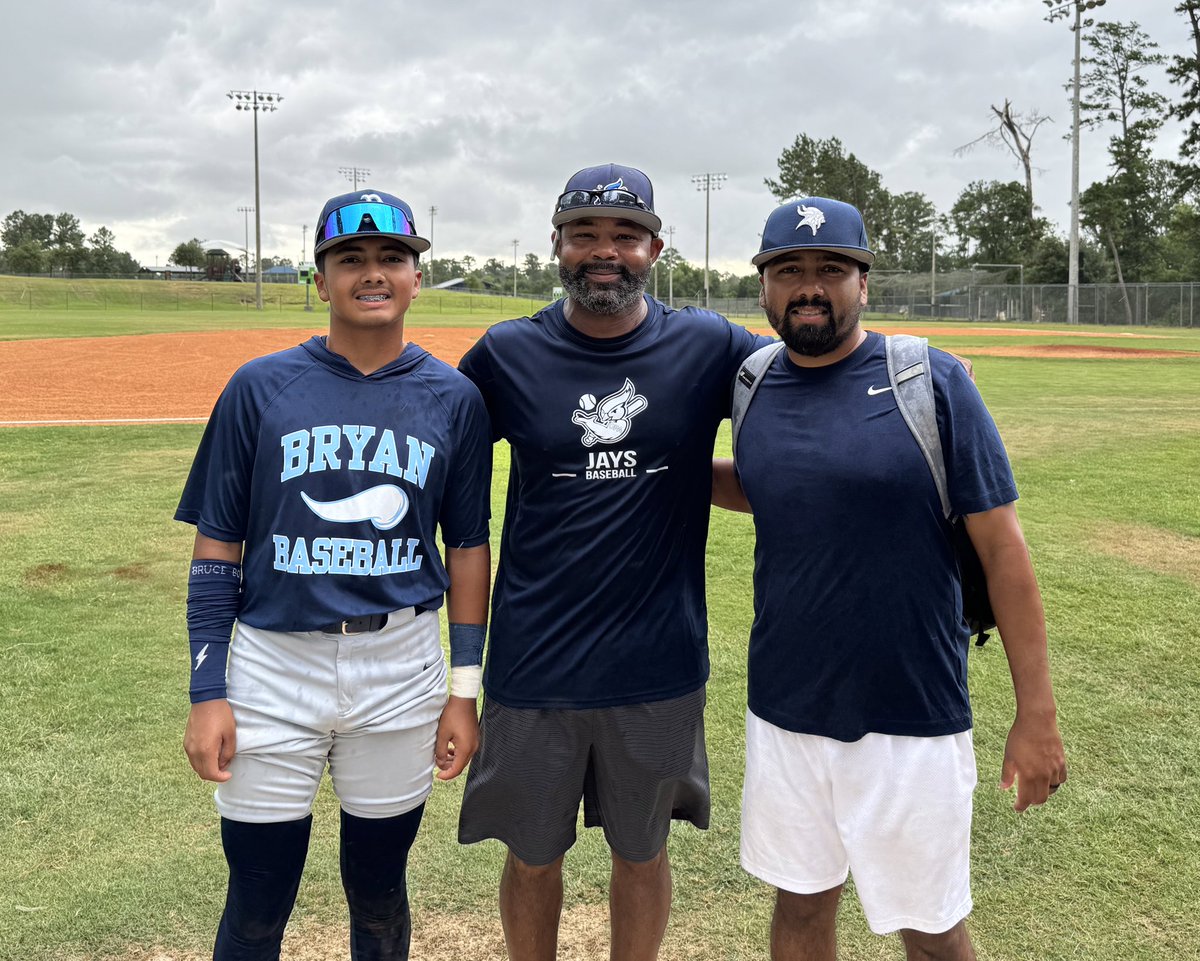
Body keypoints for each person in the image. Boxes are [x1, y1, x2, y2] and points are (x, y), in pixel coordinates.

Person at [712, 197, 1068, 961]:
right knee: (800, 907)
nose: (811, 287)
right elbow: (771, 480)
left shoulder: (930, 382)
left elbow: (1004, 552)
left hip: (911, 712)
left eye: (831, 269)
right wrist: (665, 475)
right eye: (790, 271)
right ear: (765, 288)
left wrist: (1036, 713)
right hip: (785, 706)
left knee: (933, 928)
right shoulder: (753, 383)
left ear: (864, 283)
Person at [455, 163, 771, 961]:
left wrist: (925, 366)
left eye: (625, 236)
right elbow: (433, 448)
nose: (605, 252)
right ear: (556, 245)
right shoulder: (507, 353)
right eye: (585, 235)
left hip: (657, 661)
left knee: (642, 851)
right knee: (532, 854)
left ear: (654, 248)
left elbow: (814, 382)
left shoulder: (707, 345)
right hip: (535, 661)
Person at [176, 189, 492, 961]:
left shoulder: (454, 398)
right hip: (273, 666)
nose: (372, 273)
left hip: (400, 668)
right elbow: (218, 548)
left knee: (381, 894)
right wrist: (206, 690)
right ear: (319, 280)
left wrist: (464, 690)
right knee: (255, 901)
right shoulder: (259, 387)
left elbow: (468, 550)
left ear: (419, 276)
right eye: (350, 258)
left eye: (392, 257)